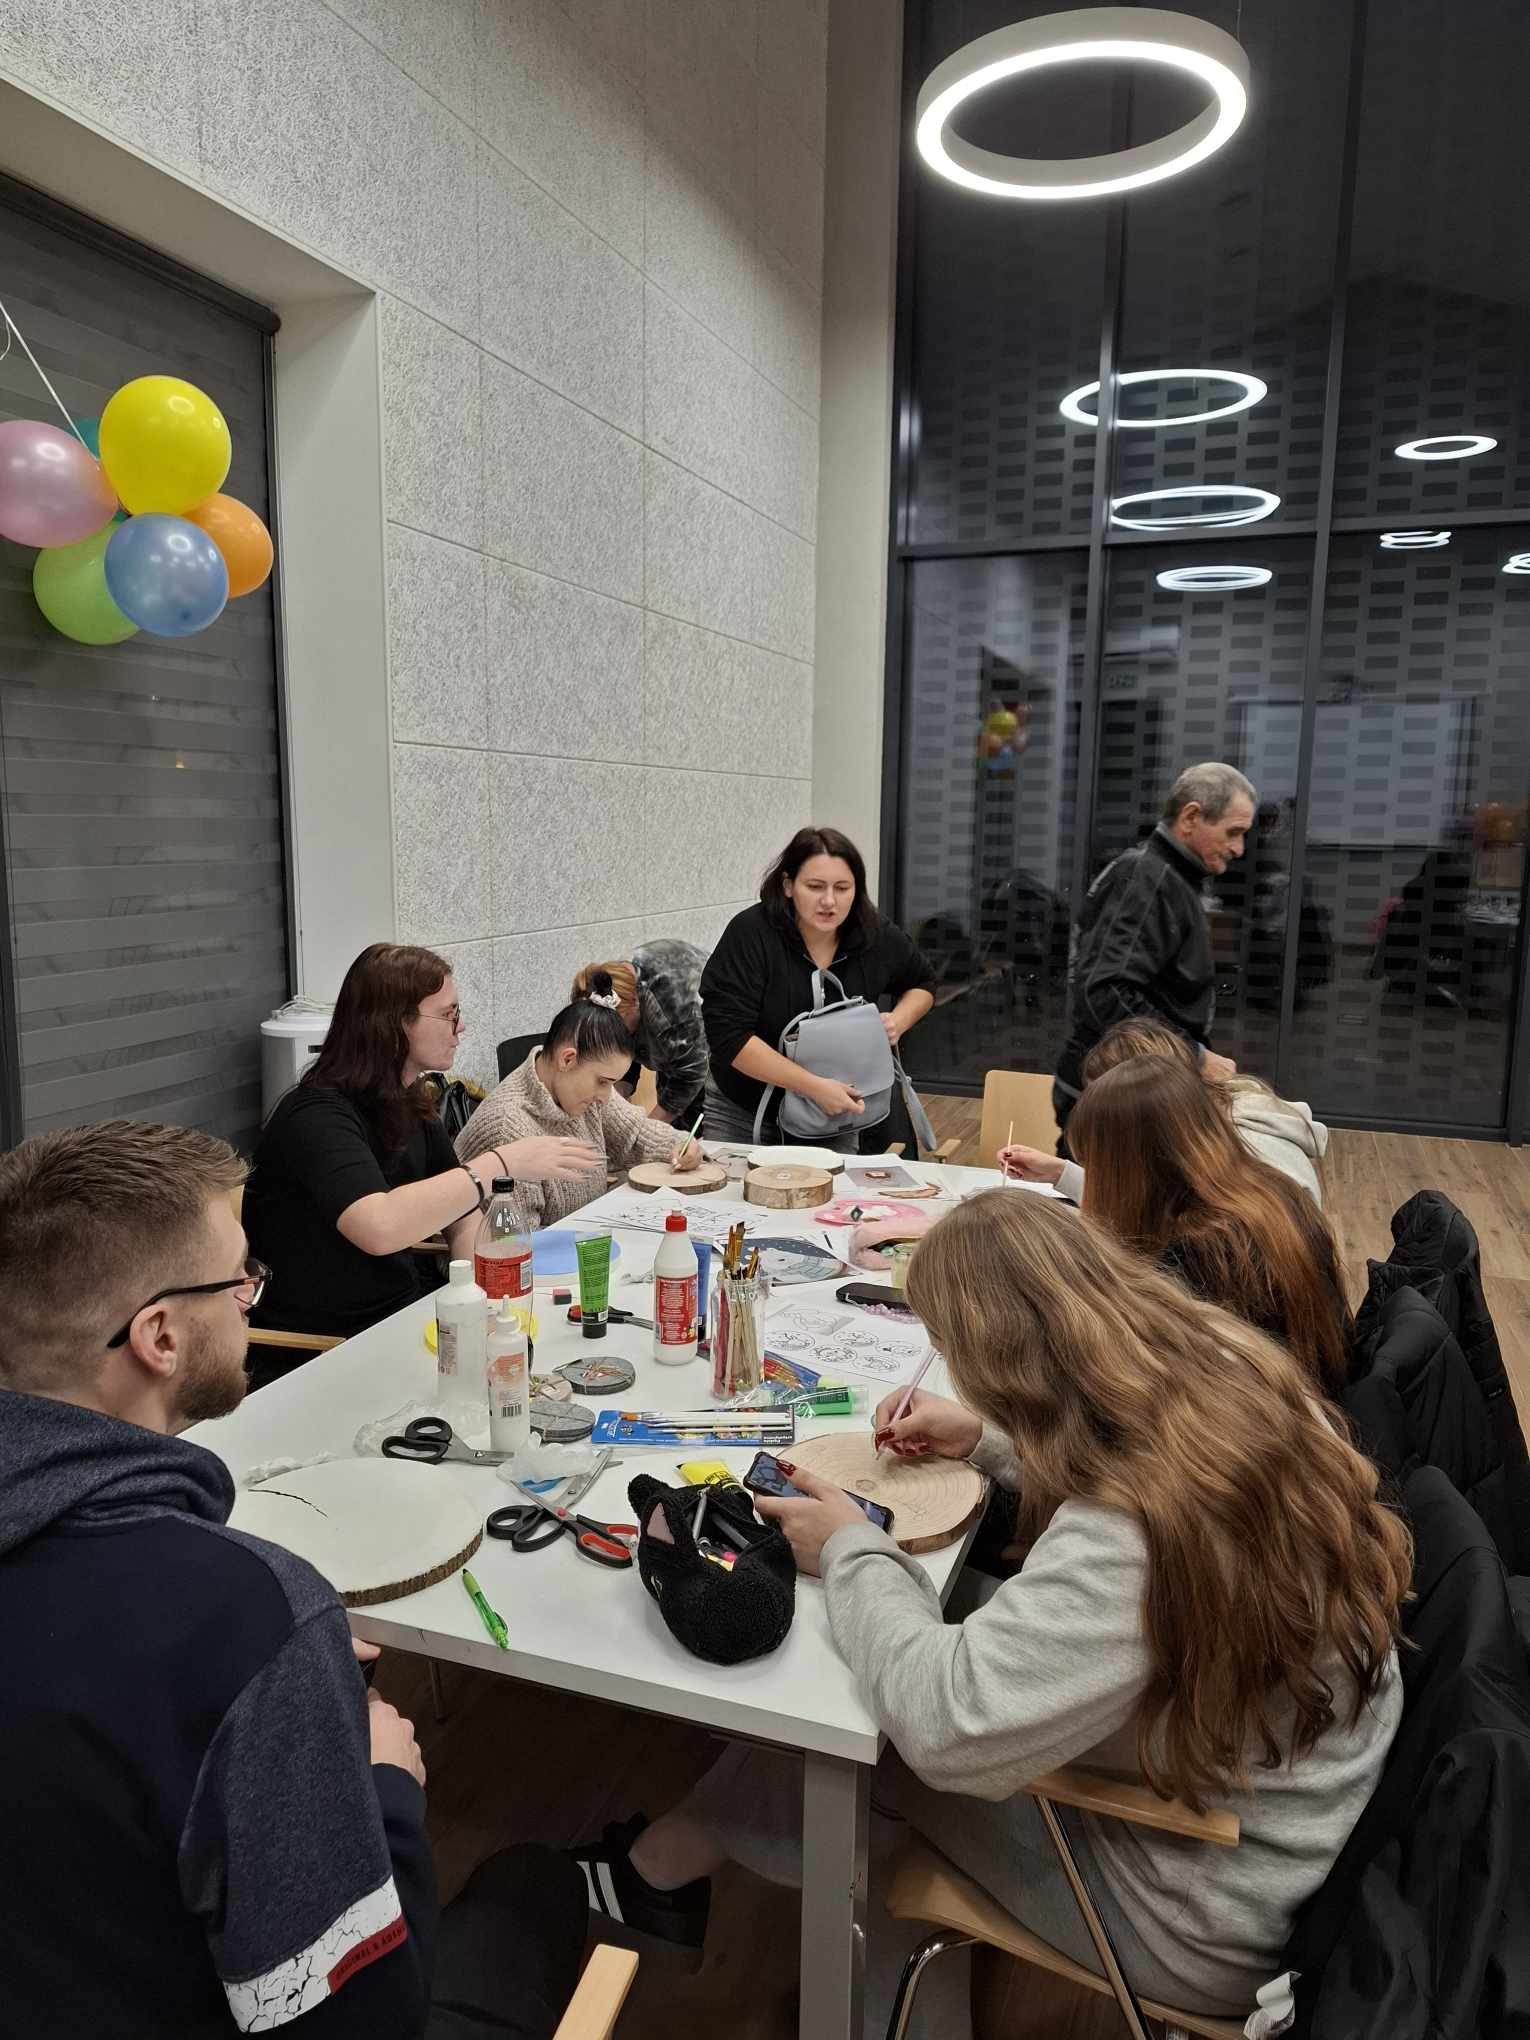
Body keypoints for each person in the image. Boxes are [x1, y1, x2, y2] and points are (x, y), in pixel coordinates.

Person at [569, 1191, 1407, 2034]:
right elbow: (1112, 1457)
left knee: (846, 1740)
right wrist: (986, 1439)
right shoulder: (1218, 1364)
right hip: (1259, 1793)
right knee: (888, 1659)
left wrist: (853, 1547)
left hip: (1198, 1901)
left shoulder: (1133, 1536)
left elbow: (946, 1726)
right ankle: (660, 1870)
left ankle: (658, 1876)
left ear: (1006, 1364)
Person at [0, 1120, 589, 2038]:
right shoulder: (250, 1613)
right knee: (537, 1885)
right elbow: (364, 2022)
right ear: (159, 1335)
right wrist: (385, 1783)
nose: (250, 1298)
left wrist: (271, 1672)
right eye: (239, 1279)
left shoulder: (238, 1618)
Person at [244, 945, 600, 1344]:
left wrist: (483, 1301)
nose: (460, 1028)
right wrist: (501, 1163)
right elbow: (379, 1226)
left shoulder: (411, 1101)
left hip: (400, 1316)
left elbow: (463, 1218)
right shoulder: (315, 1115)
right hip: (326, 1345)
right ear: (394, 1023)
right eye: (449, 1014)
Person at [1067, 1057, 1351, 1394]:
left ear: (1128, 1167)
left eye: (1095, 1164)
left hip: (1264, 1412)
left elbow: (1156, 1380)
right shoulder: (1269, 1190)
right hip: (1314, 1393)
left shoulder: (1198, 1255)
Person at [1054, 762, 1257, 1140]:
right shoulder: (1146, 879)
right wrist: (1193, 1055)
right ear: (1191, 817)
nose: (1238, 849)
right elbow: (1104, 993)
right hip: (1114, 1099)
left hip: (1138, 1089)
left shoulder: (1171, 878)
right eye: (1233, 833)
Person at [699, 825, 936, 1148]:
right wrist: (812, 1087)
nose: (829, 901)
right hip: (744, 1112)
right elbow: (729, 1038)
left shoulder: (873, 933)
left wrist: (898, 1020)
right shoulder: (751, 933)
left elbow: (923, 981)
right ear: (788, 885)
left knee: (831, 1182)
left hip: (834, 1115)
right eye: (815, 886)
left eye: (842, 888)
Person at [455, 971, 705, 1226]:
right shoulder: (507, 1128)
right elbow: (517, 1241)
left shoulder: (580, 1091)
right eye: (603, 1082)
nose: (606, 1097)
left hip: (584, 1238)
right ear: (567, 1059)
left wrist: (679, 1144)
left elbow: (635, 1135)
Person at [1002, 1015, 1330, 1206]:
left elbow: (1161, 1223)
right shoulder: (1201, 1136)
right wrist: (1062, 1174)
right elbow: (1155, 1206)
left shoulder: (1251, 1168)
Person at [571, 941, 708, 1128]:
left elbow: (692, 1073)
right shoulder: (609, 989)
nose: (613, 1037)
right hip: (671, 1049)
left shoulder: (674, 1006)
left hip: (719, 1054)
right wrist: (616, 1107)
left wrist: (644, 1130)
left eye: (618, 1029)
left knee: (692, 1129)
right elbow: (623, 1049)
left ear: (635, 1002)